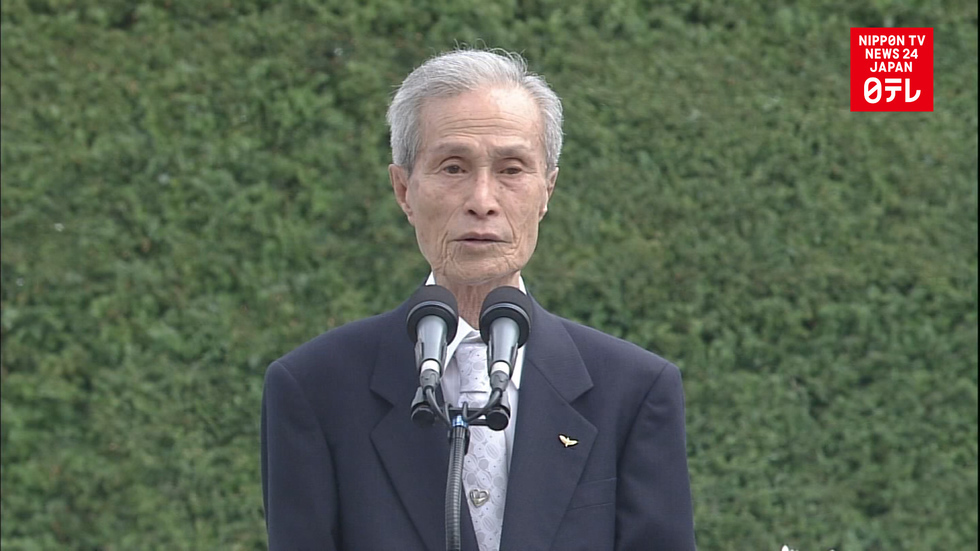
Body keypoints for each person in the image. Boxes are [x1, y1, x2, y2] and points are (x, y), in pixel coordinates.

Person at [261, 48, 696, 551]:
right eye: (453, 168)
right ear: (403, 190)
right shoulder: (315, 387)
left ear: (547, 190)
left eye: (512, 169)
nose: (482, 201)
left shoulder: (633, 390)